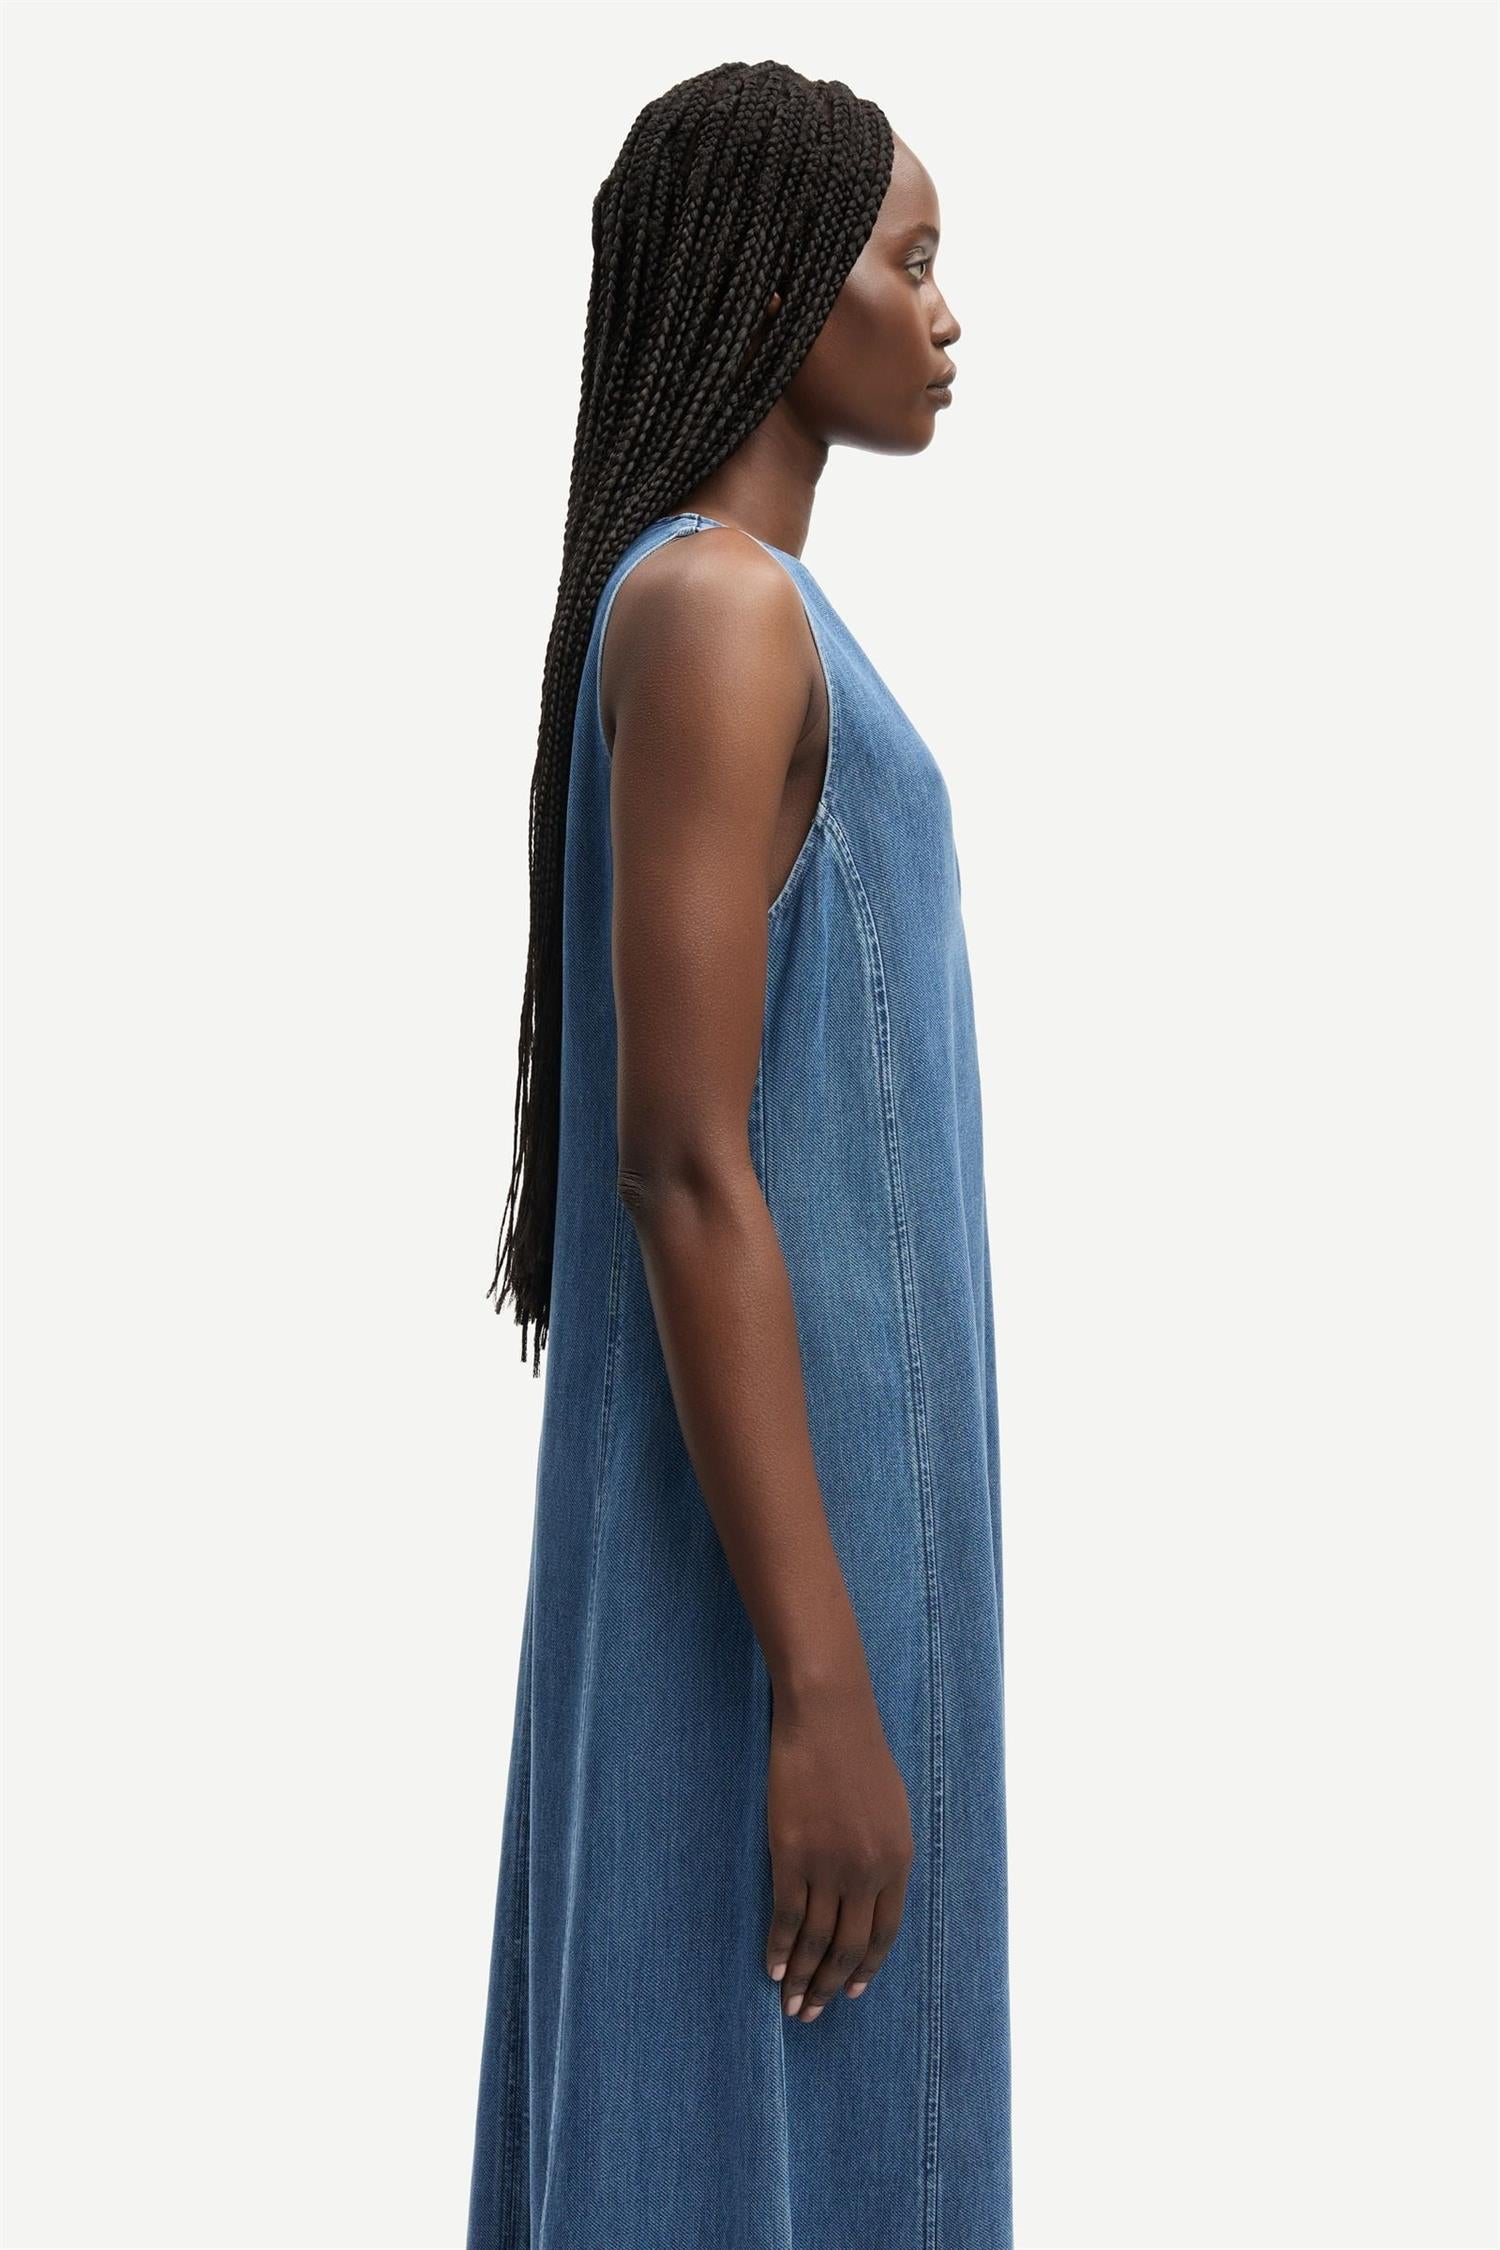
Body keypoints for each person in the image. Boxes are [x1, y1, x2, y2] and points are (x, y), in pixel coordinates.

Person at [468, 58, 1011, 2249]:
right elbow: (684, 1165)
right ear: (786, 287)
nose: (945, 315)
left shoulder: (744, 609)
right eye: (910, 261)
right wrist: (821, 1683)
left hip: (830, 1529)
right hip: (769, 1564)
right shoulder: (717, 613)